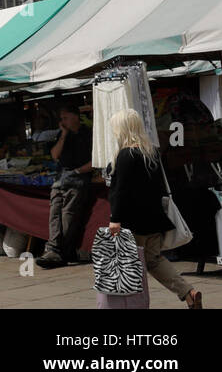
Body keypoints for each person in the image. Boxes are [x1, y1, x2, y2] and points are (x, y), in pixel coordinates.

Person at [106, 109, 203, 309]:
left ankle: (132, 305)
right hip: (155, 220)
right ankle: (188, 292)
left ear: (122, 129)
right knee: (154, 260)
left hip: (133, 223)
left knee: (131, 265)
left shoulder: (126, 155)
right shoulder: (151, 153)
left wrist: (115, 219)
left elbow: (121, 192)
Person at [37, 104, 93, 269]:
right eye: (61, 119)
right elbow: (55, 156)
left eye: (65, 118)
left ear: (75, 117)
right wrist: (63, 135)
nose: (62, 121)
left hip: (77, 179)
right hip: (60, 178)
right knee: (54, 214)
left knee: (68, 215)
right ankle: (53, 250)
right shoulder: (62, 135)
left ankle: (59, 251)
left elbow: (96, 160)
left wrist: (78, 171)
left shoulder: (88, 134)